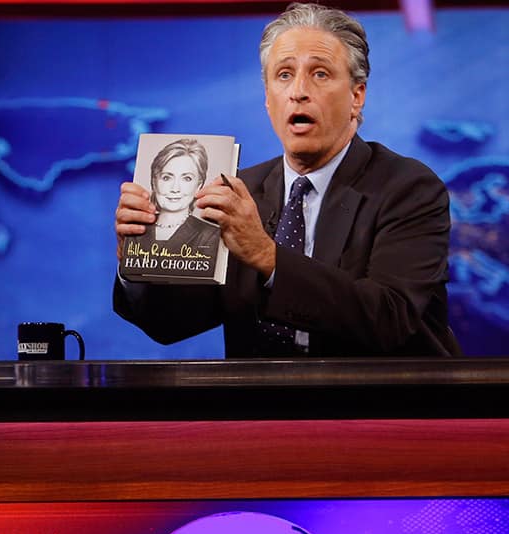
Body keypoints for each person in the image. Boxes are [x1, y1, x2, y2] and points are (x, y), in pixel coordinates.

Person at [113, 2, 461, 357]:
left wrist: (267, 256)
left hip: (380, 406)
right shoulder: (238, 193)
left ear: (357, 96)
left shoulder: (408, 188)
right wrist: (138, 260)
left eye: (320, 74)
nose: (298, 91)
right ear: (267, 98)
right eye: (283, 75)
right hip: (262, 407)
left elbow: (389, 317)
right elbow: (171, 323)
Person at [140, 138, 221, 261]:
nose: (175, 189)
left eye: (187, 178)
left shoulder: (210, 235)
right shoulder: (137, 230)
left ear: (198, 186)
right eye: (167, 178)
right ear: (154, 182)